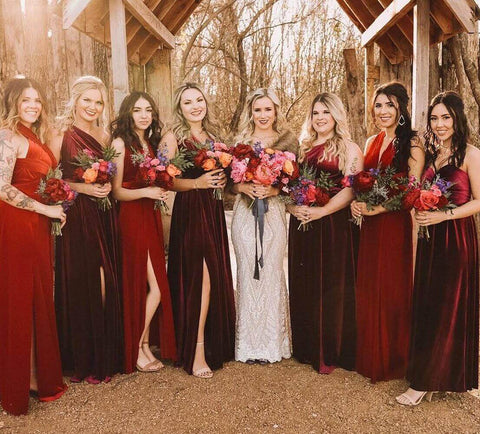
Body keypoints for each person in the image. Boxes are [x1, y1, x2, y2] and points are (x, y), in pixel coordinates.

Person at [397, 91, 480, 405]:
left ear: (457, 118)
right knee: (429, 303)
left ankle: (433, 380)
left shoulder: (471, 154)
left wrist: (442, 214)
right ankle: (434, 375)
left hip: (456, 237)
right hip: (430, 239)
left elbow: (479, 202)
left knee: (451, 304)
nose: (440, 123)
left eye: (446, 117)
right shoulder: (431, 154)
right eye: (434, 118)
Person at [0, 77, 67, 415]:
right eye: (26, 100)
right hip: (17, 225)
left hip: (36, 226)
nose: (33, 105)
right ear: (13, 102)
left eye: (37, 100)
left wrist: (55, 203)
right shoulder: (7, 136)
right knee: (20, 297)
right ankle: (16, 383)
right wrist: (45, 209)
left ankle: (33, 376)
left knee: (35, 296)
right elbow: (1, 187)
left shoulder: (33, 136)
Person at [50, 76, 123, 383]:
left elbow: (109, 176)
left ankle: (104, 356)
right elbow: (49, 180)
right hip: (77, 215)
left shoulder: (105, 135)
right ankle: (82, 358)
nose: (92, 107)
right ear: (75, 100)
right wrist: (83, 187)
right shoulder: (60, 133)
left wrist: (103, 187)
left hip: (104, 214)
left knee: (106, 278)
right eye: (87, 100)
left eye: (98, 102)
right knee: (81, 281)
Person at [350, 81, 424, 382]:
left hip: (393, 222)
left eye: (389, 105)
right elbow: (361, 181)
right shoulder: (371, 142)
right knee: (368, 286)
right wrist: (357, 203)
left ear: (401, 108)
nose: (383, 111)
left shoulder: (413, 142)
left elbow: (412, 189)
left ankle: (393, 361)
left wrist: (379, 209)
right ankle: (369, 357)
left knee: (391, 286)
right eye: (378, 105)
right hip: (368, 225)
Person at [162, 82, 235, 378]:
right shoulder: (173, 137)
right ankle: (196, 350)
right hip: (191, 211)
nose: (196, 106)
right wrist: (197, 183)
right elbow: (165, 180)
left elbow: (226, 175)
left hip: (214, 210)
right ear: (180, 108)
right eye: (188, 102)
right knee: (200, 277)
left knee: (213, 275)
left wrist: (222, 179)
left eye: (200, 100)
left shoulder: (215, 137)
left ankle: (212, 342)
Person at [288, 92, 362, 373]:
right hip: (303, 225)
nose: (320, 118)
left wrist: (321, 211)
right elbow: (288, 183)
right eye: (315, 113)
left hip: (333, 225)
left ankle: (333, 349)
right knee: (305, 280)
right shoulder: (302, 148)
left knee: (332, 285)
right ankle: (307, 347)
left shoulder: (349, 148)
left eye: (325, 112)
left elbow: (351, 189)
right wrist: (293, 208)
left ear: (336, 116)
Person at [111, 91, 176, 373]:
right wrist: (147, 191)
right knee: (155, 287)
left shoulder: (148, 143)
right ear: (128, 113)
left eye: (148, 110)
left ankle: (146, 345)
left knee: (152, 284)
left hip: (149, 216)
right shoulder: (119, 143)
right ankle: (135, 346)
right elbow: (116, 192)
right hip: (132, 218)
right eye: (137, 110)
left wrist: (158, 189)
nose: (144, 115)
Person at [231, 88, 297, 364]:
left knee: (270, 269)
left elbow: (295, 183)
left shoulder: (289, 140)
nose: (263, 115)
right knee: (247, 268)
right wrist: (244, 186)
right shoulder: (240, 141)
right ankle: (247, 345)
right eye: (257, 110)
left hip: (273, 214)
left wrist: (274, 191)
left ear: (276, 111)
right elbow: (229, 182)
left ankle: (272, 343)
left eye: (268, 109)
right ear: (251, 112)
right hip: (245, 214)